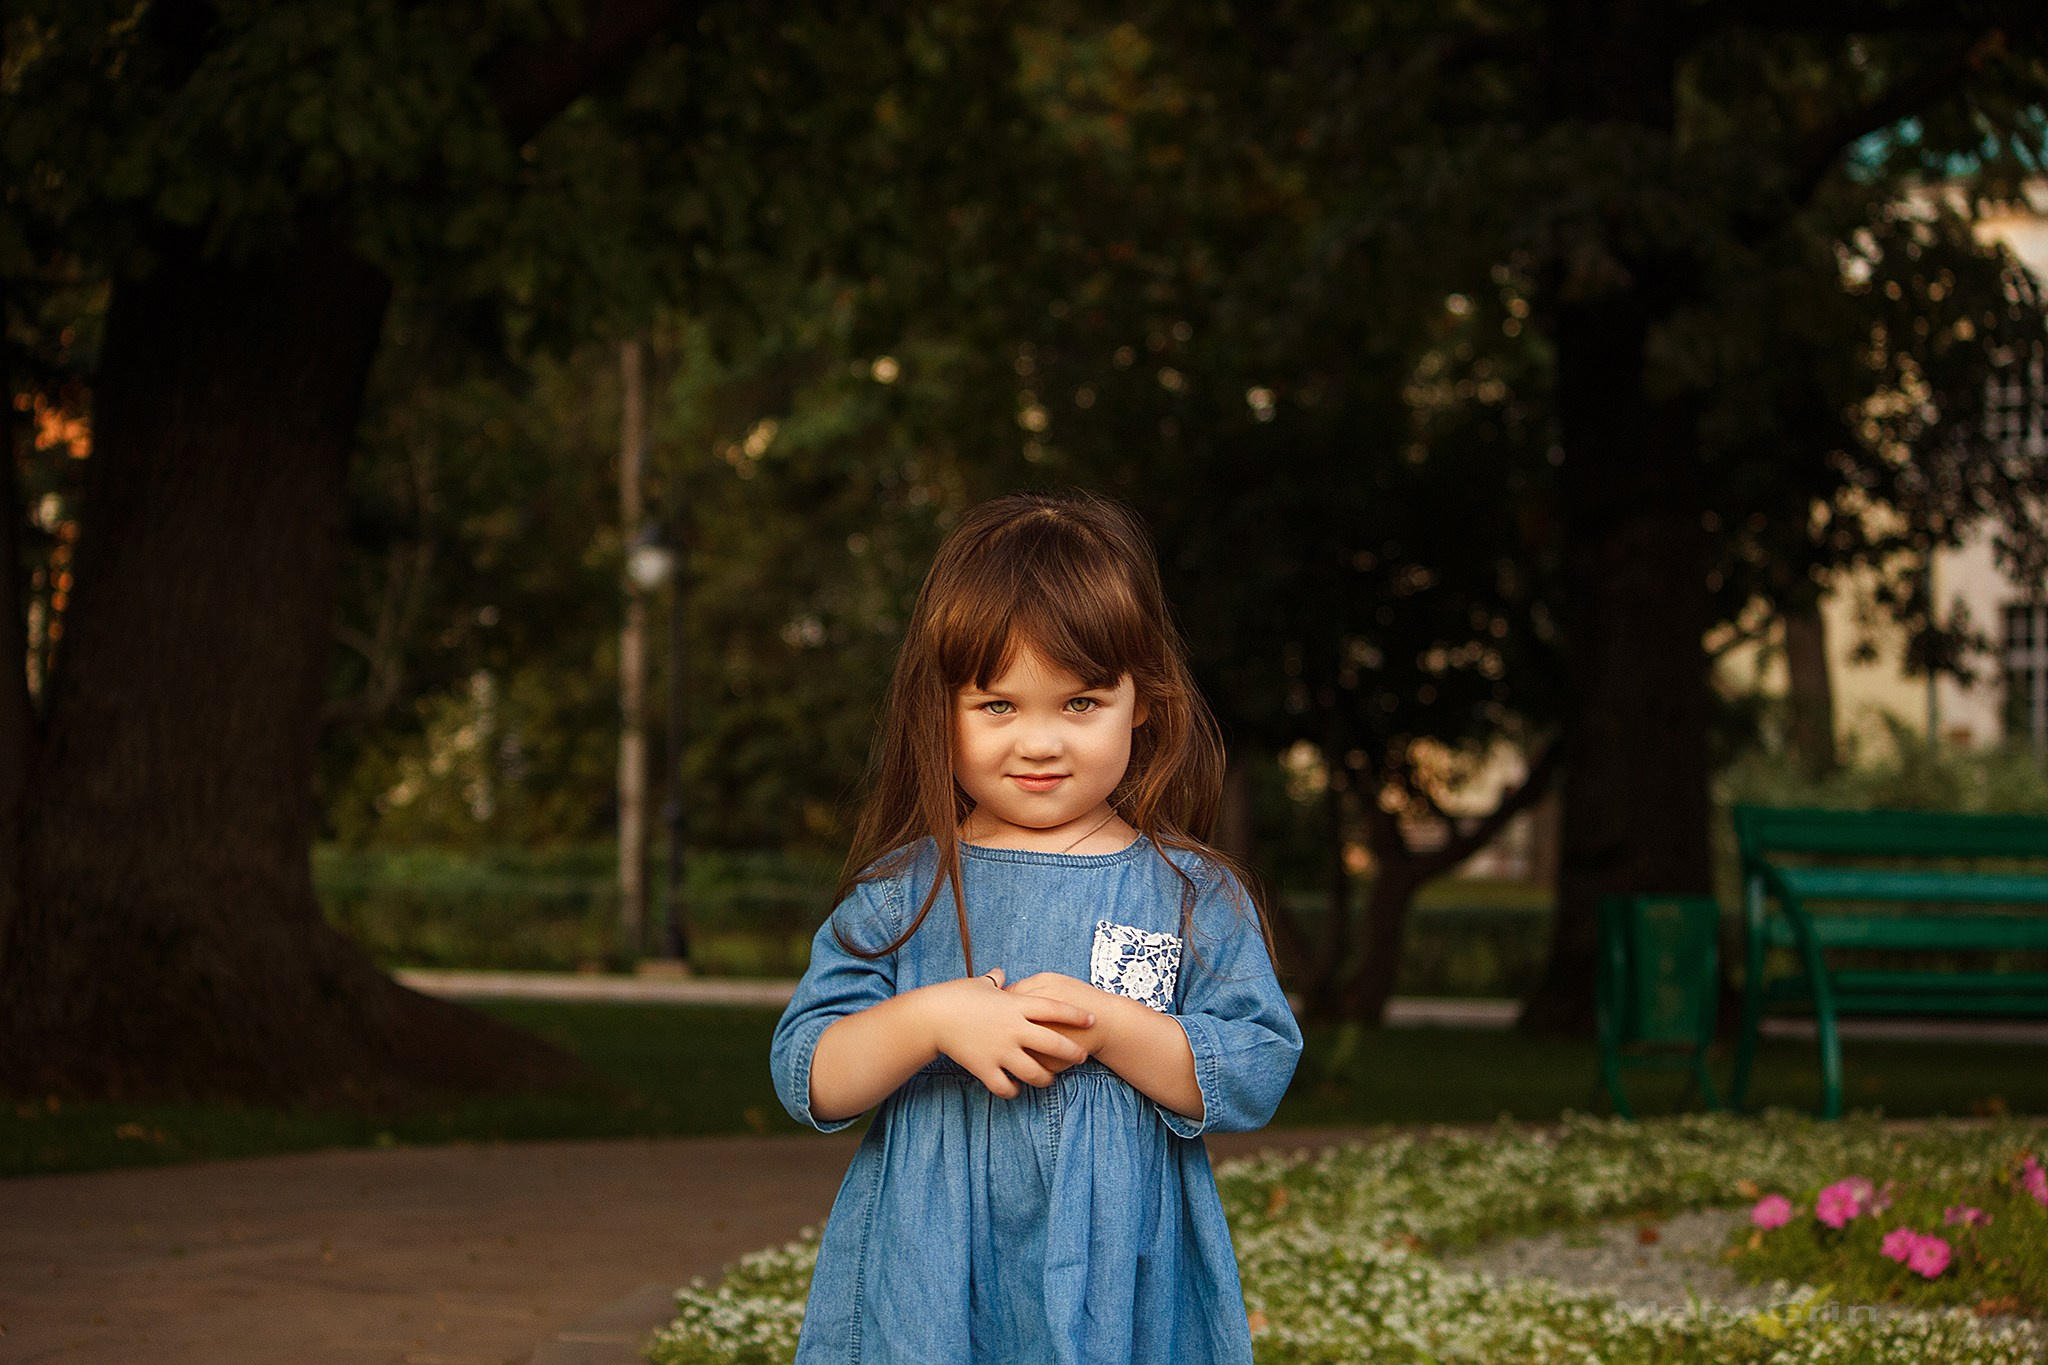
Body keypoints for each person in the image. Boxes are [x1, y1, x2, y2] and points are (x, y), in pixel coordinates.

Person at [768, 488, 1303, 1364]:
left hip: (1123, 1279)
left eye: (1081, 703)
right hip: (934, 1282)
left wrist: (1115, 1027)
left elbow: (1254, 1067)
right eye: (998, 705)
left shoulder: (1188, 892)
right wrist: (930, 1018)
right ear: (939, 710)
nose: (1041, 742)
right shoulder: (904, 894)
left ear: (1145, 700)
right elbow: (809, 1074)